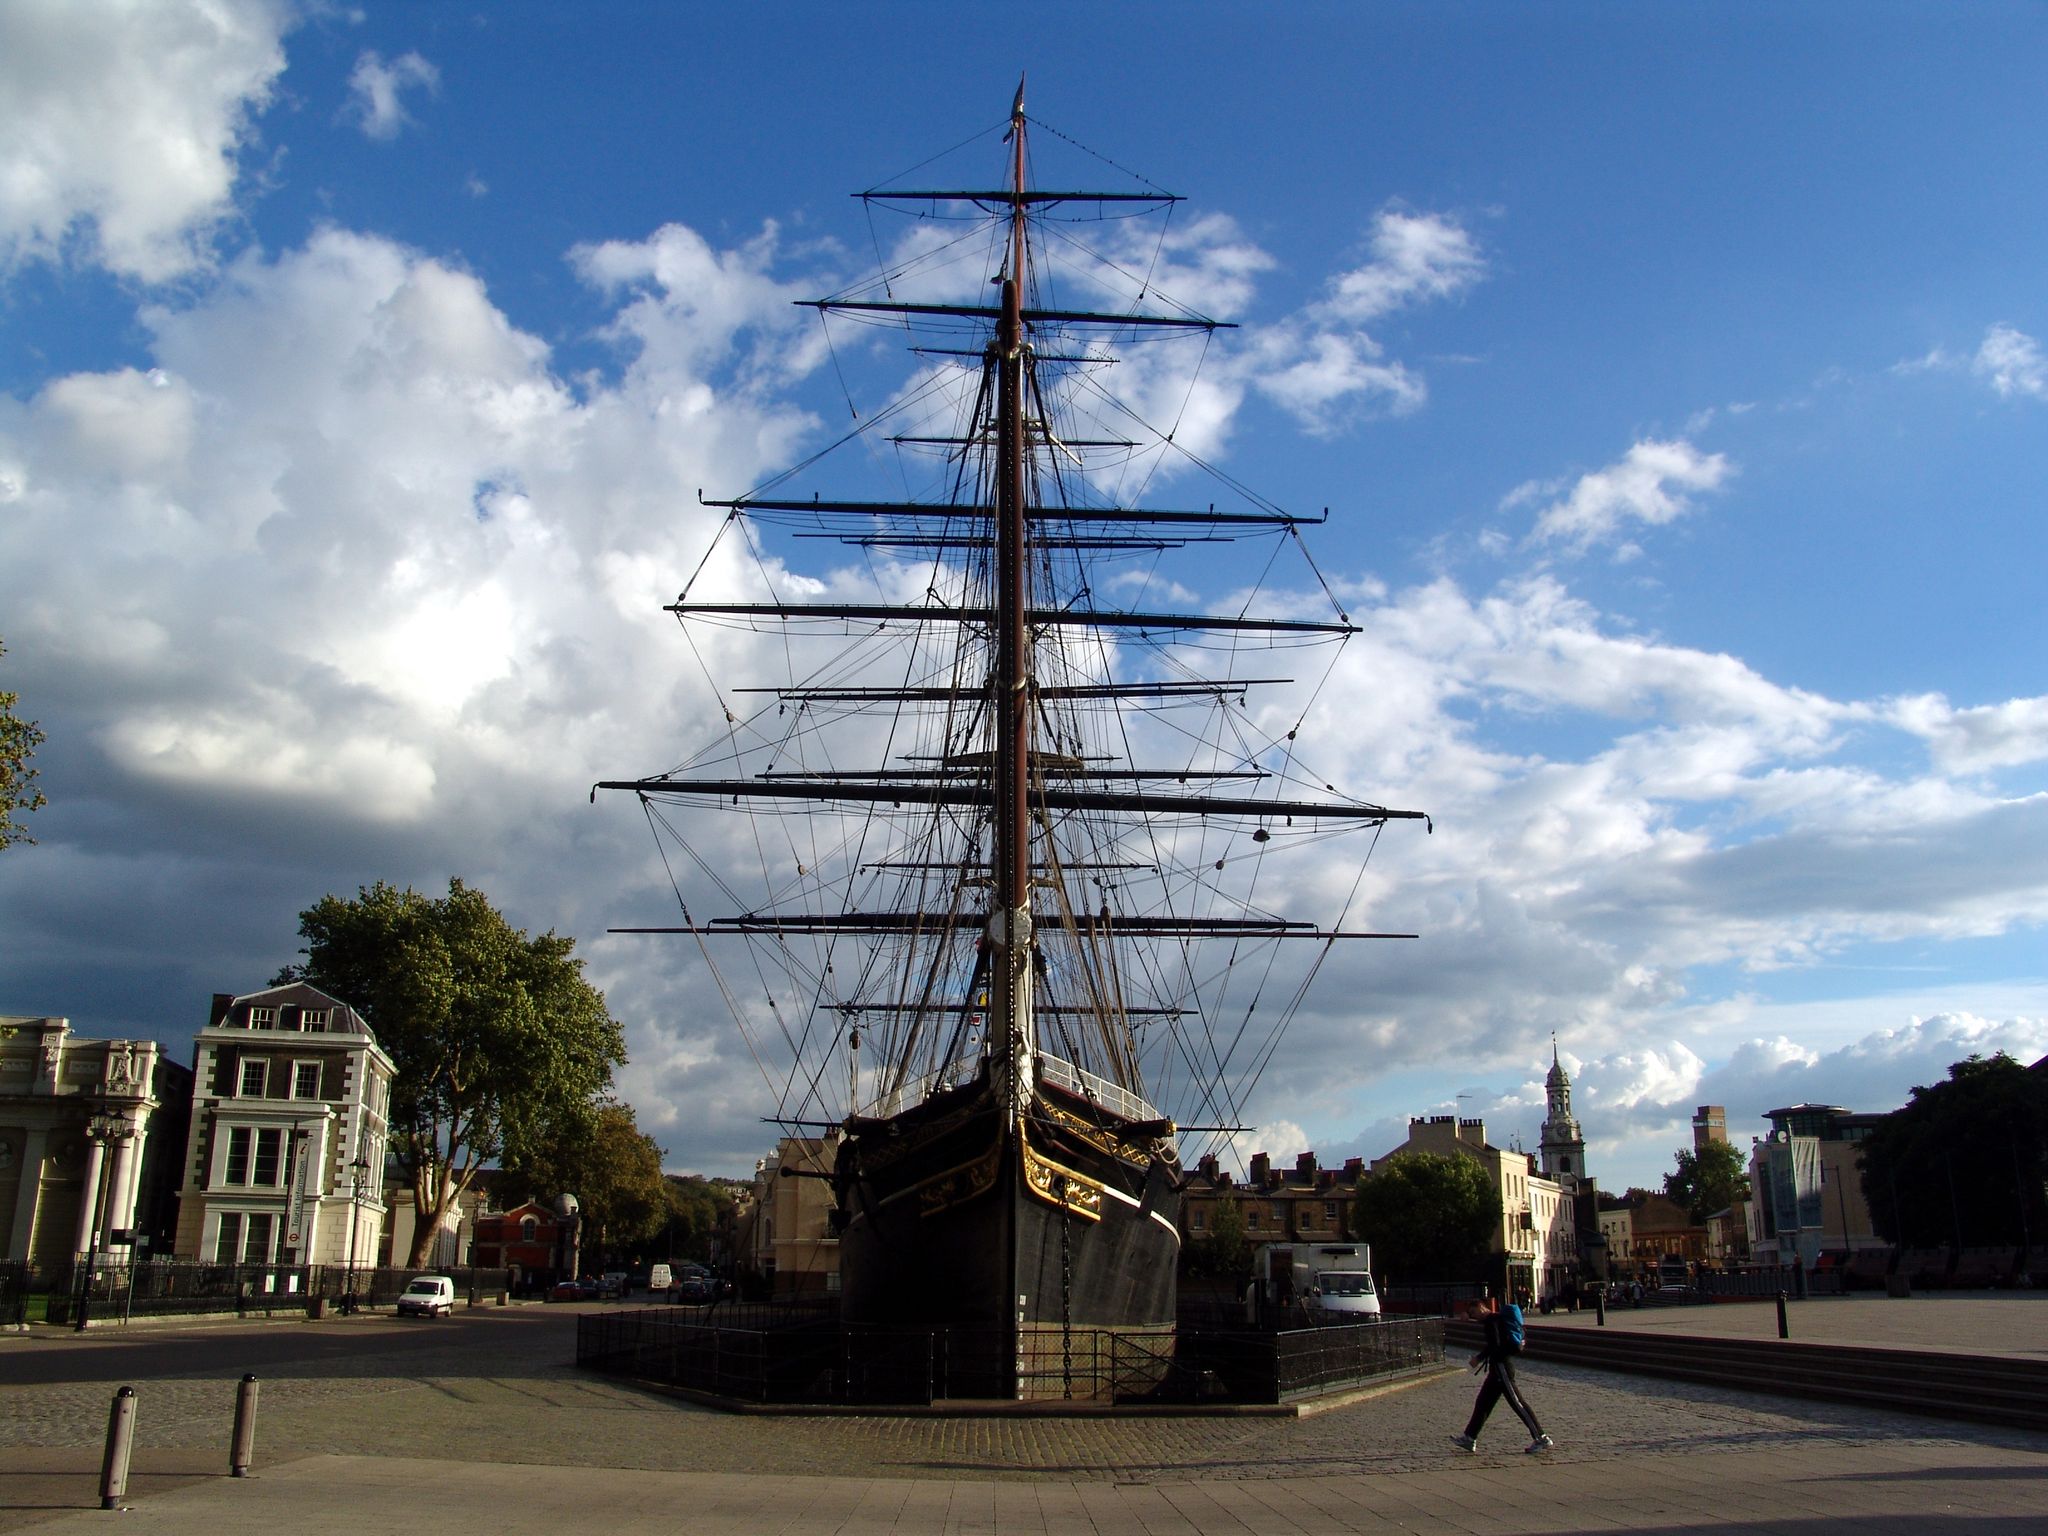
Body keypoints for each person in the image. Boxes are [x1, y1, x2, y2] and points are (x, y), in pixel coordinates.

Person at [1453, 1291, 1554, 1454]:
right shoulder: (1494, 1319)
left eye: (1473, 1312)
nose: (1474, 1316)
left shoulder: (1491, 1321)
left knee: (1517, 1403)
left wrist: (1479, 1358)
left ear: (1481, 1307)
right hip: (1497, 1369)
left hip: (1502, 1368)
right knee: (1483, 1403)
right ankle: (1469, 1437)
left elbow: (1495, 1345)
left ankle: (1541, 1437)